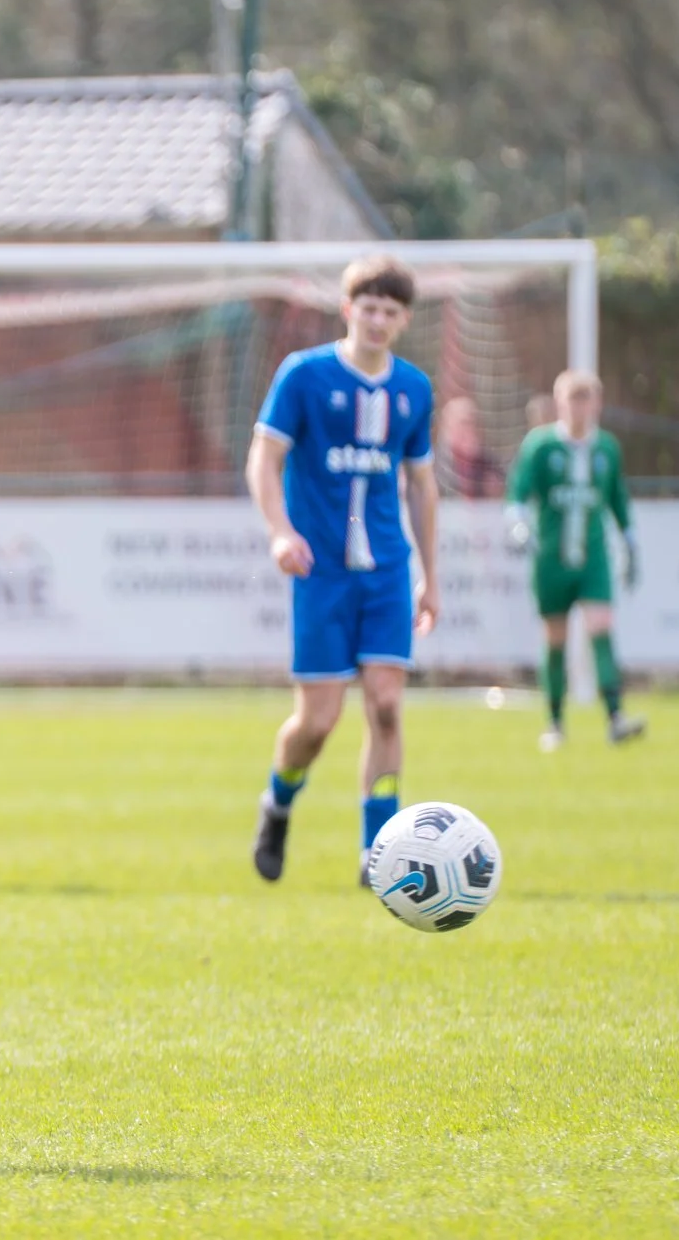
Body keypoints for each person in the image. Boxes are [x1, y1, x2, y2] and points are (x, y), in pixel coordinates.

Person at [246, 255, 441, 887]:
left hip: (385, 571)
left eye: (392, 311)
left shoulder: (413, 388)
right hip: (322, 572)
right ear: (347, 308)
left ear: (405, 319)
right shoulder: (304, 376)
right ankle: (278, 802)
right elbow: (264, 460)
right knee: (319, 722)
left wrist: (429, 575)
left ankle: (377, 849)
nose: (379, 320)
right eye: (370, 307)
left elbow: (421, 484)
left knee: (386, 706)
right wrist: (280, 532)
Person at [504, 369, 645, 750]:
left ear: (597, 404)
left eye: (586, 399)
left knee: (601, 626)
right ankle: (554, 722)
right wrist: (517, 523)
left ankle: (616, 717)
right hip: (551, 558)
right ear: (559, 403)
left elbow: (617, 498)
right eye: (572, 399)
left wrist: (630, 542)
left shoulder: (607, 449)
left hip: (593, 557)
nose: (579, 408)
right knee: (555, 638)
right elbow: (517, 492)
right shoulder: (541, 446)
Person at [436, 396, 504, 498]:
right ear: (447, 426)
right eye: (463, 423)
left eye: (473, 423)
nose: (469, 428)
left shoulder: (488, 462)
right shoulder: (435, 462)